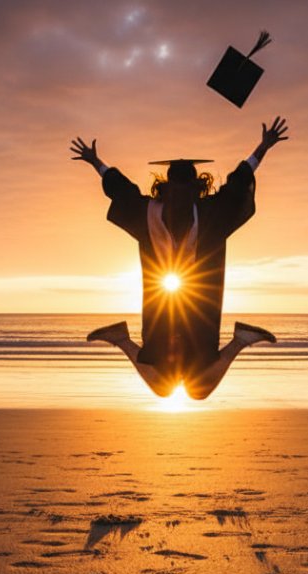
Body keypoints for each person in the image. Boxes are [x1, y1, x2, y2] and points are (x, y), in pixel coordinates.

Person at [70, 116, 289, 399]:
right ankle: (240, 341)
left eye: (183, 193)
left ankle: (122, 339)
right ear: (173, 189)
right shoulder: (208, 214)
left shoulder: (156, 213)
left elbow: (122, 191)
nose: (180, 199)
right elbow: (236, 187)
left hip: (176, 314)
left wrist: (262, 148)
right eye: (177, 192)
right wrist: (261, 149)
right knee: (180, 388)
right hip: (188, 314)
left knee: (187, 389)